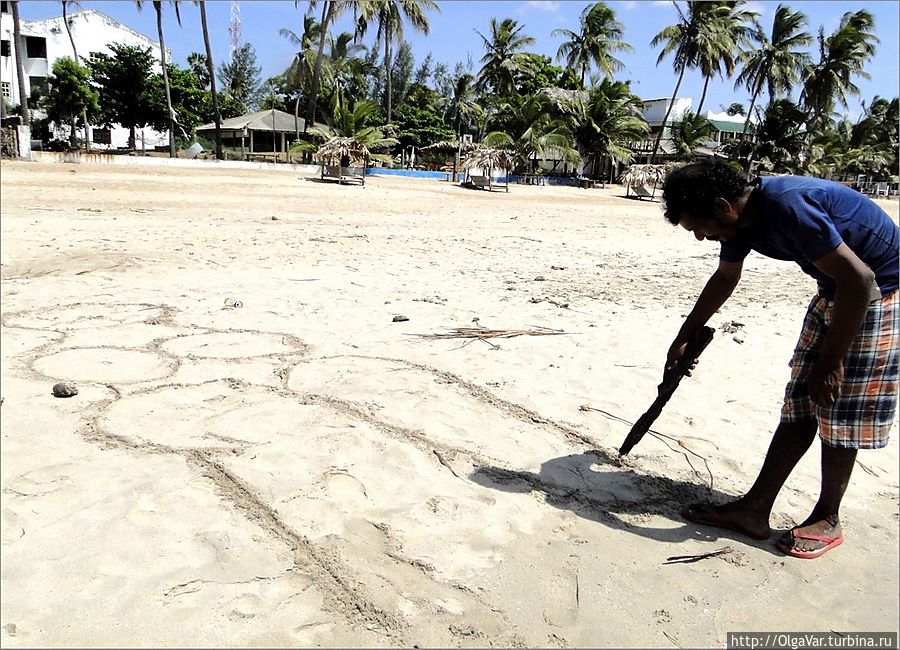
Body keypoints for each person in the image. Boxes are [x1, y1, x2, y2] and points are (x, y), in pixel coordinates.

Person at [661, 159, 899, 559]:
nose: (701, 237)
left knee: (838, 410)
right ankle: (754, 509)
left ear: (723, 207)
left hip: (877, 296)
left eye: (698, 227)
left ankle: (828, 516)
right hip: (834, 292)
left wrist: (831, 361)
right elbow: (725, 277)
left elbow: (861, 281)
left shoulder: (789, 206)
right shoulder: (740, 219)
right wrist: (683, 337)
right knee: (800, 404)